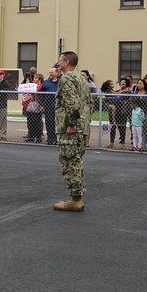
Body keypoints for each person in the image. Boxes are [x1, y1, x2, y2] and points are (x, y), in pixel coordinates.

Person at [53, 51, 92, 212]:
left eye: (60, 60)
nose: (58, 62)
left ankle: (75, 199)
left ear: (67, 62)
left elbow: (72, 102)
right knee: (76, 161)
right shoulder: (81, 79)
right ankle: (76, 197)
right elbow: (89, 102)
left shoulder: (67, 78)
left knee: (69, 161)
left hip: (71, 128)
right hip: (82, 127)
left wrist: (71, 123)